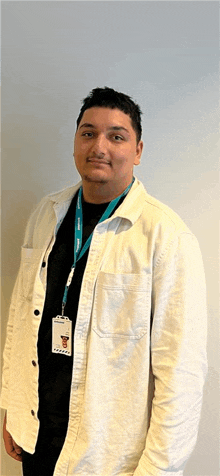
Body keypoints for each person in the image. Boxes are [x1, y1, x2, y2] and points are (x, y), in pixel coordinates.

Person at [1, 87, 207, 476]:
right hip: (38, 437)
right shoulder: (46, 214)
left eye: (116, 136)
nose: (99, 146)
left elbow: (181, 371)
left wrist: (158, 471)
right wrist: (12, 406)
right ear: (76, 142)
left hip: (108, 457)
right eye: (88, 132)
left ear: (139, 150)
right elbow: (20, 319)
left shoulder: (165, 237)